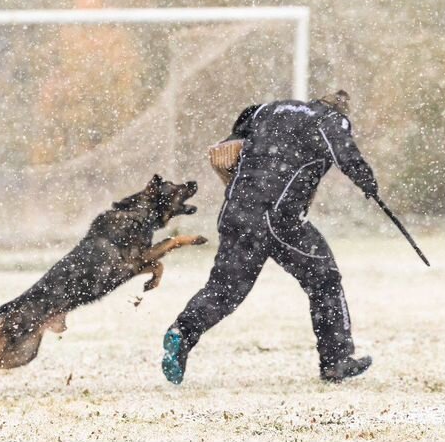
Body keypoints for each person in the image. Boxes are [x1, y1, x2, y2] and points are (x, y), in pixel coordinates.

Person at [162, 90, 378, 384]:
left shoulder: (270, 110)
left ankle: (182, 332)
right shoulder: (330, 120)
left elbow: (240, 125)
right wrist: (368, 182)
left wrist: (240, 146)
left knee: (225, 290)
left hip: (236, 209)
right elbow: (345, 151)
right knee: (324, 278)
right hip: (278, 217)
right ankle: (337, 360)